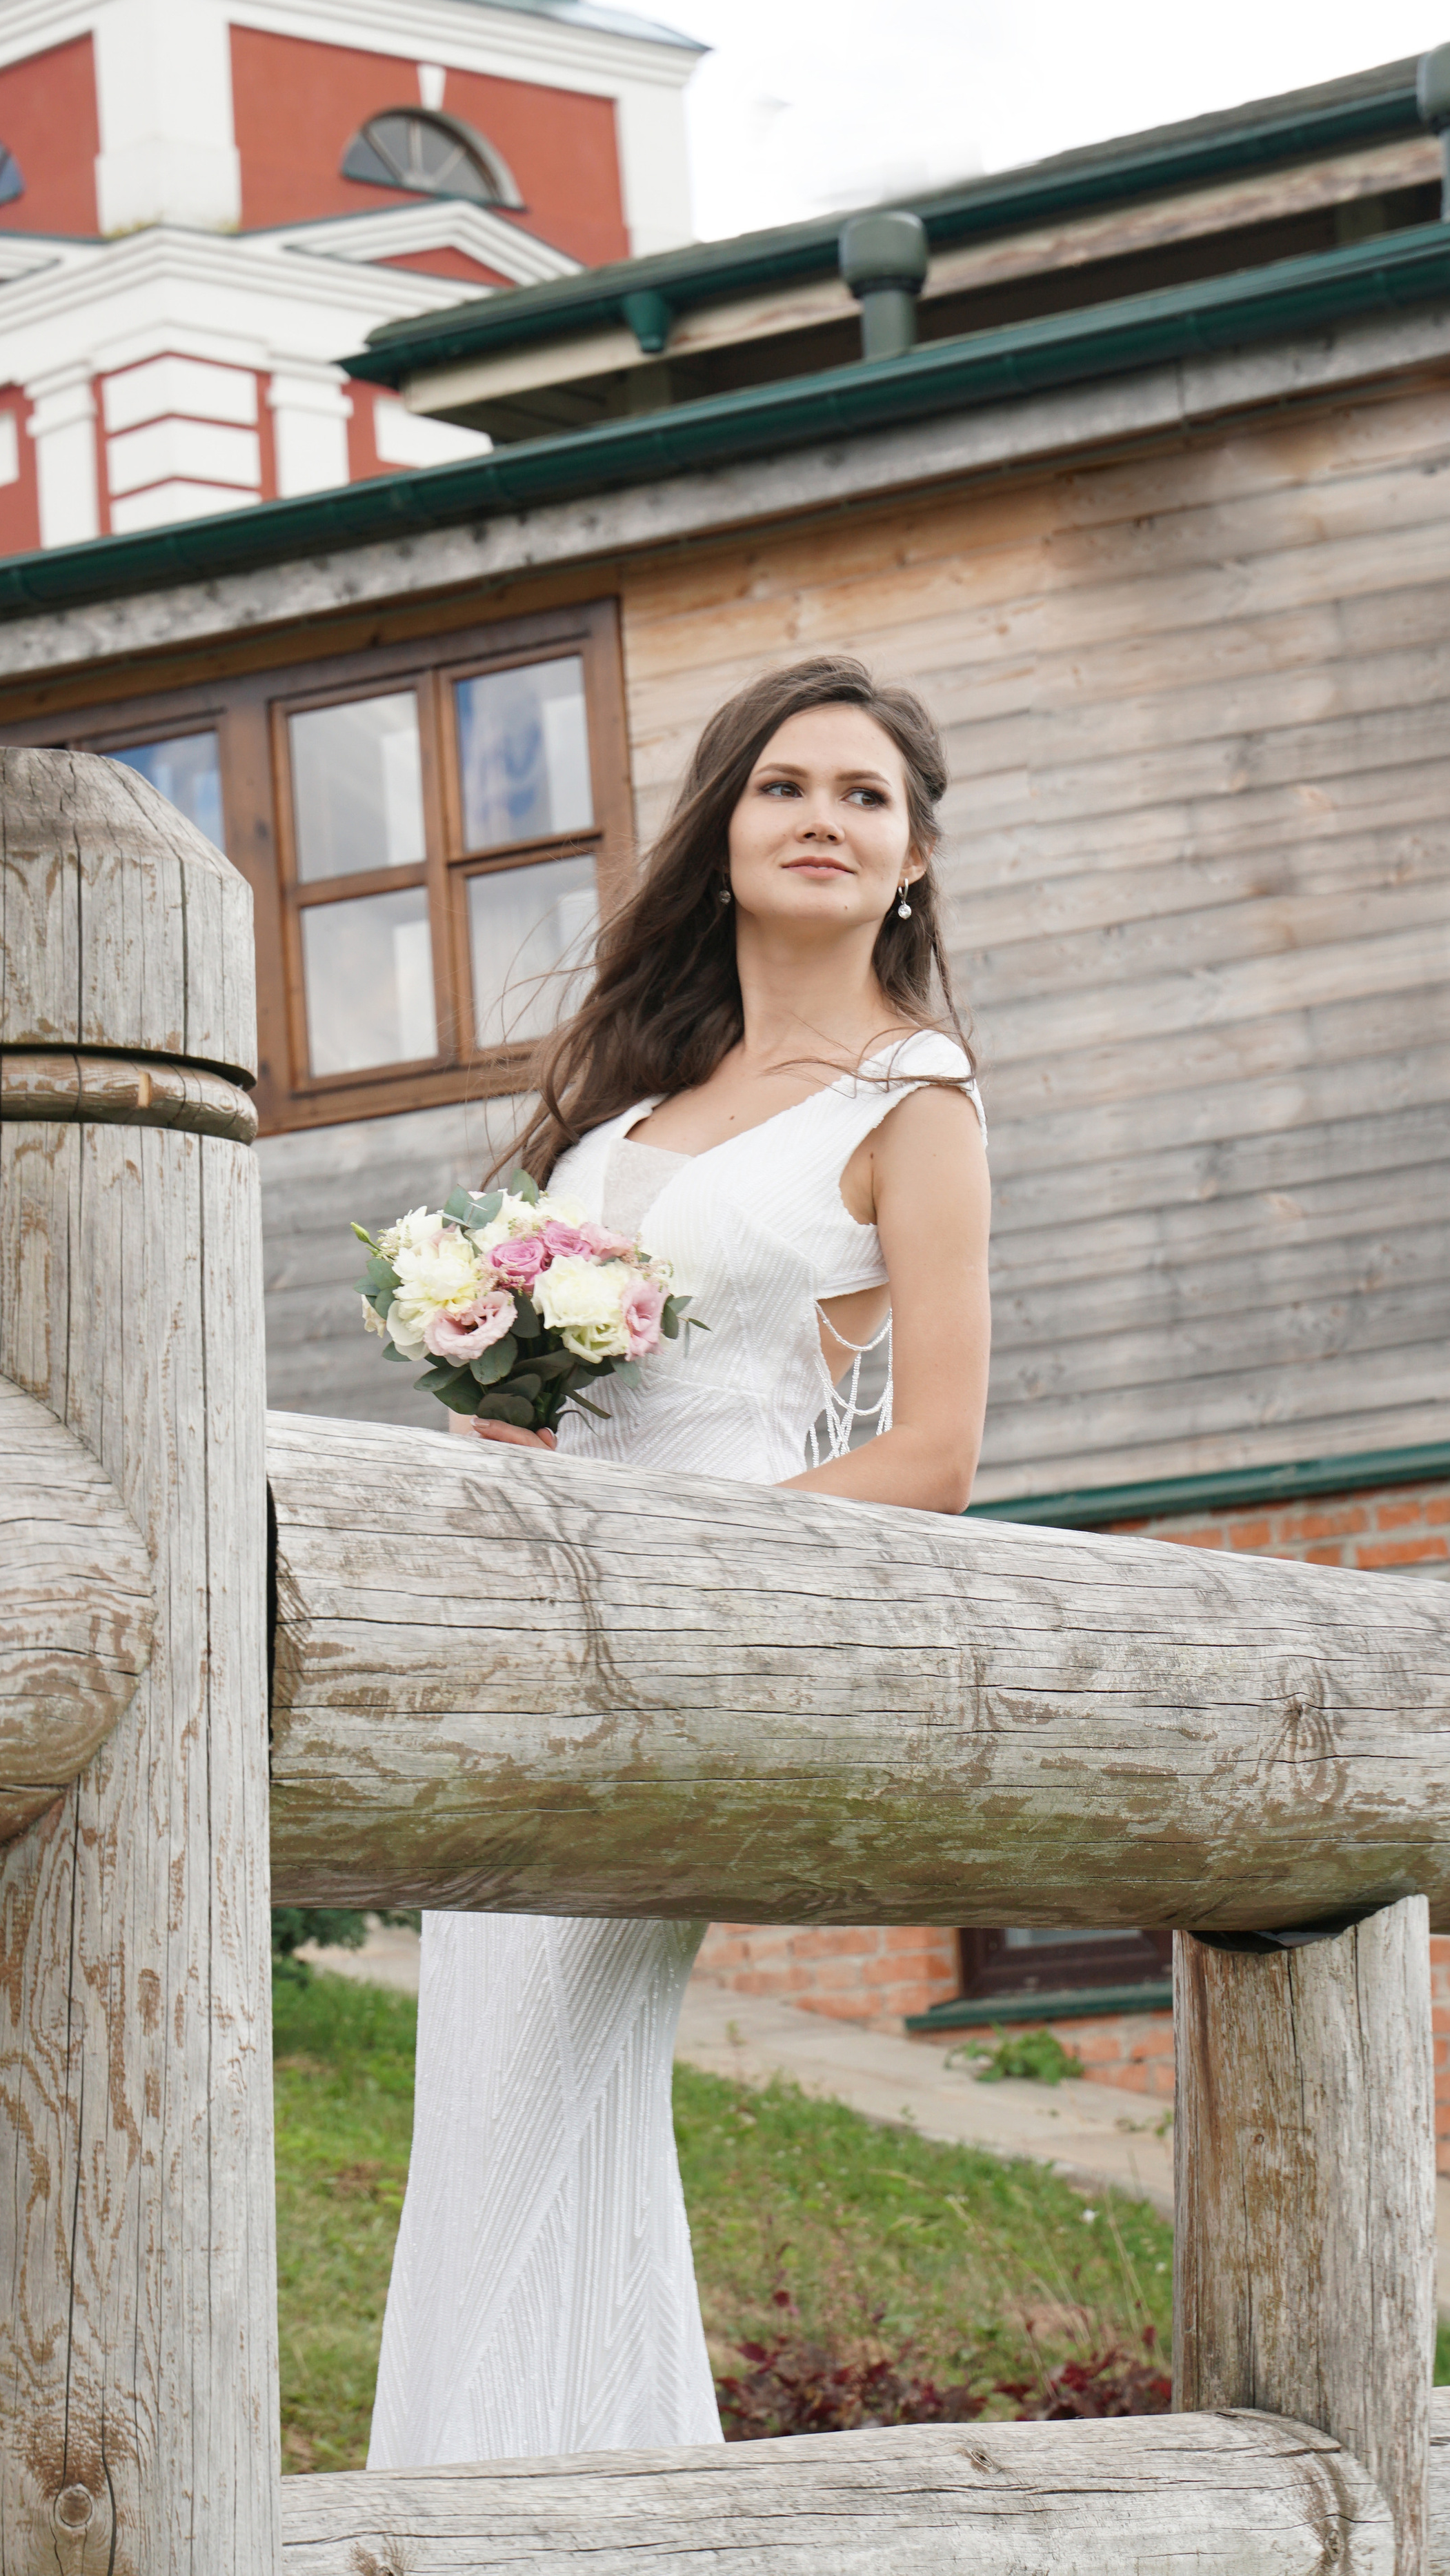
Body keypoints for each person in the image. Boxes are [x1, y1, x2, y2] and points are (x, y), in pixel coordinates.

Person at [367, 655, 992, 2472]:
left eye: (866, 797)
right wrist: (506, 1419)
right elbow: (566, 1386)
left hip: (702, 1630)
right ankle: (530, 2499)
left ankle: (528, 2504)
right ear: (723, 833)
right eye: (785, 786)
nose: (823, 819)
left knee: (553, 2076)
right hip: (532, 1629)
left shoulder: (913, 1101)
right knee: (488, 2099)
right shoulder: (631, 1103)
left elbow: (938, 1455)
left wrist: (688, 1569)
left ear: (913, 861)